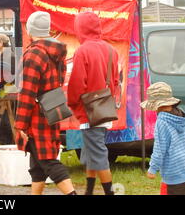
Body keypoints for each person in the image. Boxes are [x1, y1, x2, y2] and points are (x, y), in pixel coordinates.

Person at [15, 11, 77, 195]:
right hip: (52, 108)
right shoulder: (56, 51)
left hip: (36, 114)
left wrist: (20, 125)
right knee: (37, 164)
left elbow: (27, 92)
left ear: (29, 29)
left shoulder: (34, 54)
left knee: (48, 160)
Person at [67, 11, 119, 195]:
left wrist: (71, 103)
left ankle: (110, 192)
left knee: (97, 154)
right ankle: (88, 191)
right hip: (104, 108)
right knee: (91, 152)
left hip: (89, 110)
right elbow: (114, 82)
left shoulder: (83, 50)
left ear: (80, 28)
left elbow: (76, 84)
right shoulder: (111, 50)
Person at [142, 82, 185, 195]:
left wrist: (152, 168)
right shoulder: (183, 114)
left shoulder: (162, 121)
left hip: (173, 167)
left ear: (157, 105)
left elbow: (159, 148)